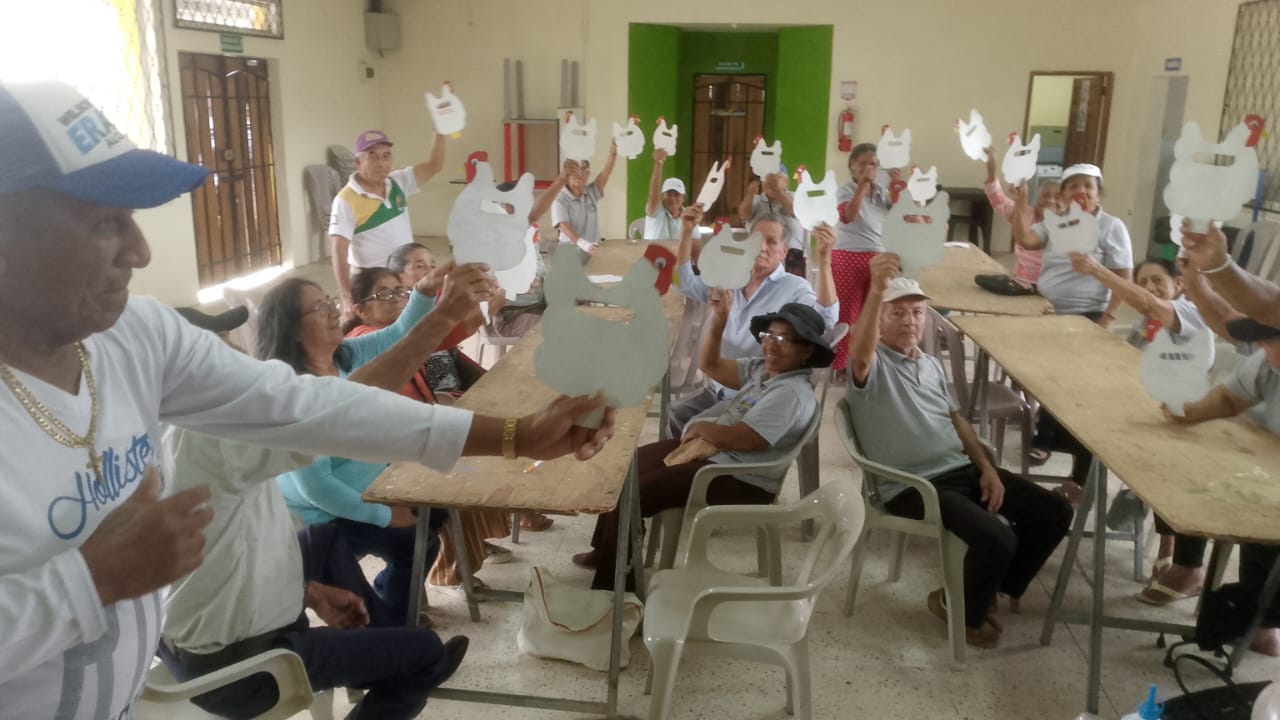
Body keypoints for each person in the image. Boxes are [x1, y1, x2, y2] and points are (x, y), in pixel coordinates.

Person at [0, 80, 617, 720]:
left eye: (132, 218)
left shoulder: (133, 334)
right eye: (104, 222)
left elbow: (308, 408)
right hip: (213, 661)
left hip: (134, 691)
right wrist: (91, 583)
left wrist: (518, 435)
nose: (140, 250)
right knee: (388, 594)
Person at [160, 303, 475, 719]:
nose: (235, 352)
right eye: (217, 345)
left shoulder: (149, 433)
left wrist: (308, 591)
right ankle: (393, 653)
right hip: (245, 667)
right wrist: (440, 318)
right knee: (423, 654)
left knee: (324, 540)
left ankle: (382, 644)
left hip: (195, 645)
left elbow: (225, 559)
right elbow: (343, 410)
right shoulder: (211, 431)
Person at [846, 253, 1073, 648]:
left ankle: (986, 590)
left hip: (960, 470)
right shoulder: (872, 366)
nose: (909, 321)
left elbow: (957, 421)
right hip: (914, 486)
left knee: (1055, 511)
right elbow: (861, 354)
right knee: (997, 538)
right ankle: (962, 610)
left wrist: (986, 467)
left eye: (917, 312)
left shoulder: (930, 365)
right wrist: (877, 290)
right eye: (897, 313)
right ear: (879, 321)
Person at [261, 268, 487, 623]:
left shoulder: (345, 356)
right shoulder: (295, 394)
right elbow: (316, 488)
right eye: (319, 308)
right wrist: (385, 515)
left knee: (432, 517)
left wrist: (424, 292)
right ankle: (394, 626)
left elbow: (400, 335)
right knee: (409, 547)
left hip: (366, 492)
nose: (334, 312)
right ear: (292, 328)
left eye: (330, 302)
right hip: (323, 517)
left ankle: (395, 608)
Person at [573, 302, 831, 590]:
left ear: (806, 351)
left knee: (635, 493)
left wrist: (704, 428)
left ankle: (616, 587)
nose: (771, 344)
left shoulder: (790, 393)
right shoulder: (765, 371)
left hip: (741, 478)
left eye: (784, 339)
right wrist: (719, 320)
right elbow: (711, 366)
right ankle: (606, 551)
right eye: (769, 335)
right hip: (716, 454)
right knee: (624, 466)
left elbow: (744, 440)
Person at [344, 266, 520, 585]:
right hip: (390, 451)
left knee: (484, 453)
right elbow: (431, 337)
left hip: (414, 433)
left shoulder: (400, 335)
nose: (398, 299)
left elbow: (434, 341)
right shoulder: (362, 339)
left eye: (401, 292)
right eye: (385, 294)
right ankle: (450, 569)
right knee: (463, 472)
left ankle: (470, 550)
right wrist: (479, 311)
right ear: (360, 309)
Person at [1068, 255, 1219, 603]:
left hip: (1184, 420)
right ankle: (1099, 489)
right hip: (1150, 410)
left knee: (1174, 471)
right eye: (1143, 281)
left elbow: (1148, 304)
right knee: (1080, 419)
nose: (1150, 288)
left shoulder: (1190, 312)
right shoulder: (1148, 324)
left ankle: (1181, 559)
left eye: (1158, 280)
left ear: (1178, 284)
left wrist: (1097, 270)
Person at [668, 204, 839, 436]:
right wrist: (687, 232)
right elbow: (684, 283)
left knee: (696, 430)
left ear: (784, 251)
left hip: (756, 395)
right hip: (719, 386)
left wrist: (825, 261)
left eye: (772, 242)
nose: (762, 247)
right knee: (675, 416)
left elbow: (825, 322)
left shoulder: (794, 288)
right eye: (756, 240)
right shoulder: (729, 277)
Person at [1165, 315, 1280, 655]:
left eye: (1268, 340)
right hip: (1269, 463)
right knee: (1227, 490)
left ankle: (1267, 619)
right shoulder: (1266, 363)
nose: (1260, 347)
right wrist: (1191, 411)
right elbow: (1231, 399)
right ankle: (1257, 618)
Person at [330, 128, 445, 311]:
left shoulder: (398, 182)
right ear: (358, 162)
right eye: (373, 156)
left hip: (403, 274)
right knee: (378, 323)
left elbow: (434, 165)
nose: (381, 163)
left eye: (386, 156)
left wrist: (440, 129)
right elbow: (339, 249)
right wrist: (346, 294)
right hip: (372, 279)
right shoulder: (345, 200)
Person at [1010, 163, 1133, 323]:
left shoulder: (1111, 226)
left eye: (1088, 186)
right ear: (1063, 194)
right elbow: (1025, 240)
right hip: (1045, 308)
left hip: (1088, 314)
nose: (1081, 191)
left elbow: (1124, 278)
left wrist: (1109, 317)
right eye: (1073, 186)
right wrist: (1020, 202)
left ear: (1098, 194)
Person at [831, 143, 896, 370]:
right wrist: (862, 186)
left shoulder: (881, 192)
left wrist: (898, 187)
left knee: (875, 312)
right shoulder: (845, 190)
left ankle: (870, 361)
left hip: (878, 257)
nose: (869, 168)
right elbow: (849, 216)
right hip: (849, 256)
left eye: (874, 164)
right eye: (863, 164)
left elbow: (897, 216)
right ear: (852, 165)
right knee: (848, 313)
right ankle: (842, 365)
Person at [973, 148, 1060, 295]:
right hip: (1023, 278)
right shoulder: (1025, 213)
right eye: (1045, 196)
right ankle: (1023, 284)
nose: (1050, 200)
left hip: (1051, 284)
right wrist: (991, 169)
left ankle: (1028, 286)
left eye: (1058, 197)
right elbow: (998, 200)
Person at [739, 170, 807, 277]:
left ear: (786, 182)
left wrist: (777, 190)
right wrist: (750, 194)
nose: (771, 182)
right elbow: (744, 215)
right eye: (768, 178)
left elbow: (794, 209)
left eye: (776, 178)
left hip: (791, 260)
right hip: (760, 257)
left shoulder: (794, 197)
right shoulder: (757, 200)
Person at [553, 144, 618, 255]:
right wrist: (585, 245)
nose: (579, 174)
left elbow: (606, 172)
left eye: (583, 169)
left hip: (592, 251)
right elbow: (564, 227)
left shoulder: (591, 192)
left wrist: (613, 154)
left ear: (588, 174)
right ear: (567, 175)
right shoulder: (559, 199)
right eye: (575, 170)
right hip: (570, 253)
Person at [643, 148, 684, 240]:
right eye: (669, 194)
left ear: (683, 198)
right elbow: (653, 194)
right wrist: (658, 163)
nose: (672, 198)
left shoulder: (688, 216)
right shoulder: (655, 210)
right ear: (661, 196)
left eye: (677, 194)